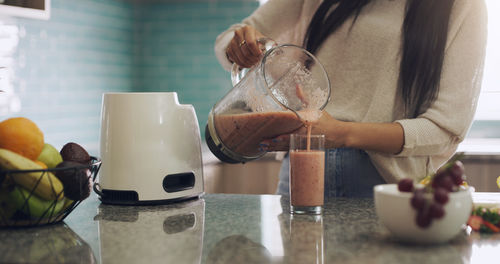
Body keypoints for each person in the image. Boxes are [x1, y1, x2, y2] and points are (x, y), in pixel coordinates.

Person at [214, 0, 487, 197]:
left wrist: (342, 133)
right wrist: (241, 45)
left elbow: (445, 128)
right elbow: (230, 38)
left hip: (385, 185)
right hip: (301, 163)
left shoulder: (462, 6)